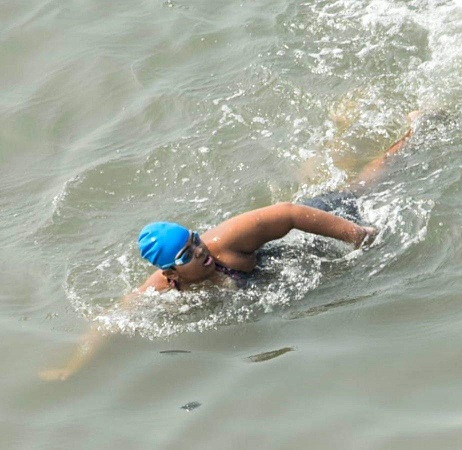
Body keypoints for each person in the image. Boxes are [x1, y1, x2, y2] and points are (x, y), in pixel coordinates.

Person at [39, 111, 420, 381]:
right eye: (187, 254)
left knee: (357, 188)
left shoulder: (225, 244)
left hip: (310, 222)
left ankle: (415, 130)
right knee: (320, 178)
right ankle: (341, 126)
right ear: (170, 272)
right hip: (280, 256)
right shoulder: (159, 289)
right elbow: (108, 322)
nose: (200, 251)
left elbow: (288, 212)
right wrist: (72, 367)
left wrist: (357, 236)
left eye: (194, 240)